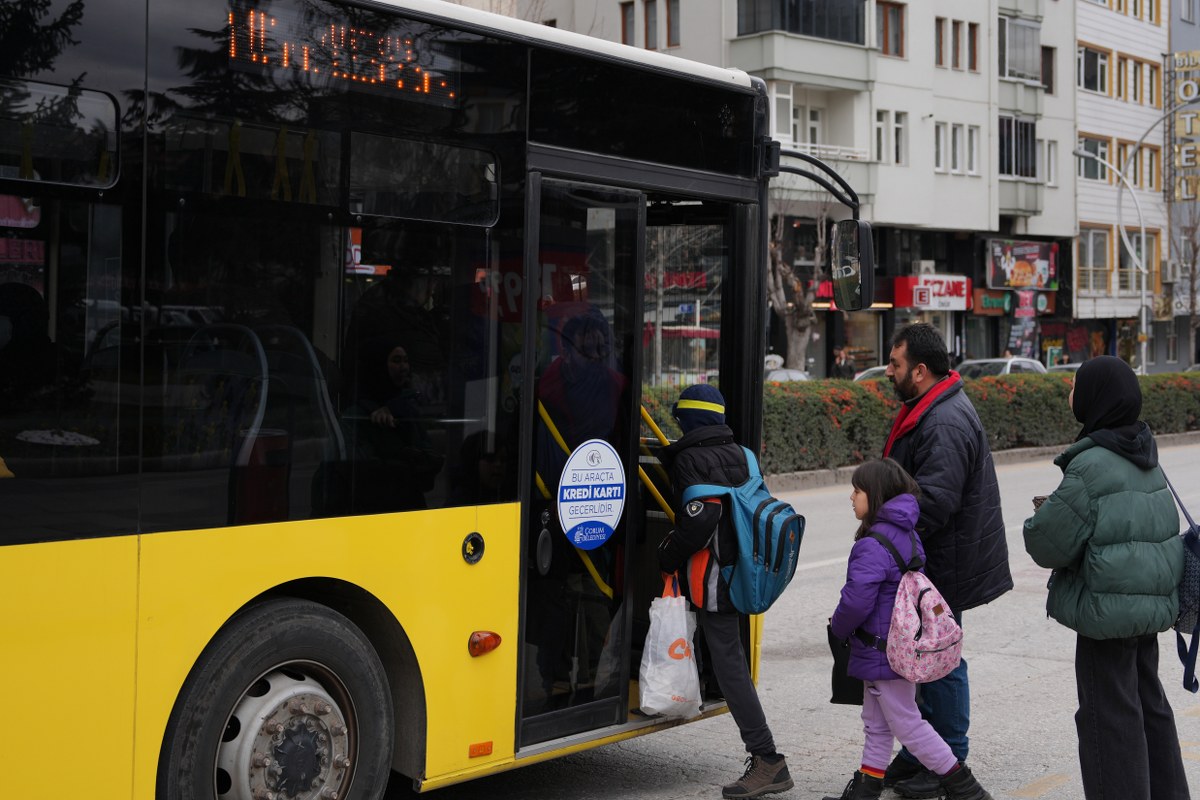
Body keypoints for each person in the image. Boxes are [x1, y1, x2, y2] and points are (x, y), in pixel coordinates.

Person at [1023, 356, 1190, 800]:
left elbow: (1047, 544)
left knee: (1109, 721)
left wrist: (1040, 516)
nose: (1070, 393)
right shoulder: (1146, 456)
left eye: (1075, 385)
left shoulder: (1091, 465)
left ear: (1096, 396)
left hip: (1106, 615)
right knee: (1149, 709)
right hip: (1147, 612)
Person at [880, 323, 1011, 797]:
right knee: (922, 656)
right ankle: (921, 751)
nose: (888, 371)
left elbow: (934, 501)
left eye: (894, 364)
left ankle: (947, 759)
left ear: (919, 370)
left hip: (945, 559)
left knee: (941, 657)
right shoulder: (930, 408)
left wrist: (885, 534)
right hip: (935, 556)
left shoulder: (944, 420)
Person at [825, 458, 994, 800]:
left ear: (875, 495)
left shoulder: (872, 544)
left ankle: (966, 789)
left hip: (882, 650)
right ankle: (865, 790)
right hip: (894, 647)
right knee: (876, 724)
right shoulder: (907, 535)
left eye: (857, 490)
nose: (852, 497)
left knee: (907, 724)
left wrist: (838, 627)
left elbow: (857, 600)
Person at [657, 384, 792, 800]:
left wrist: (666, 556)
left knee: (730, 663)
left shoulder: (690, 459)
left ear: (689, 421)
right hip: (745, 570)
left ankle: (768, 758)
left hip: (713, 577)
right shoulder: (743, 454)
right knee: (726, 656)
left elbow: (701, 521)